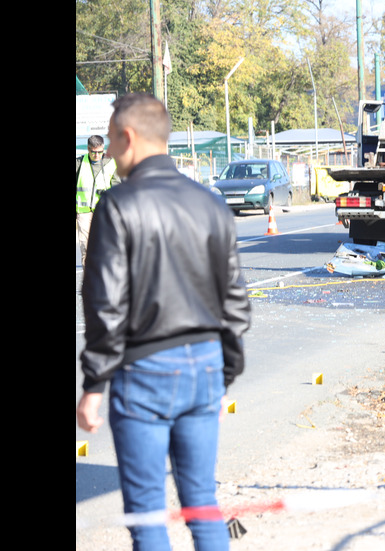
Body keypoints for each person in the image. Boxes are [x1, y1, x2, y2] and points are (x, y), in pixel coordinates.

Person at [76, 93, 251, 550]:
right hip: (206, 366)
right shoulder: (210, 203)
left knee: (148, 516)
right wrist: (224, 368)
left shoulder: (116, 205)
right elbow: (235, 300)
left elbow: (104, 304)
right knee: (202, 503)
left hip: (145, 371)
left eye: (112, 140)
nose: (109, 152)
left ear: (127, 137)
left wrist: (94, 385)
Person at [76, 135, 120, 266]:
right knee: (86, 247)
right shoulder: (79, 163)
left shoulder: (112, 163)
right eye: (93, 152)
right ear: (88, 149)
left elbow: (117, 188)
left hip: (104, 211)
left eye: (100, 152)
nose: (97, 155)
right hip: (83, 212)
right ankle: (89, 281)